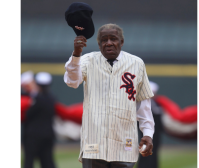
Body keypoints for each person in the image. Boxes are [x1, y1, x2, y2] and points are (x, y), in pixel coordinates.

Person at [64, 23, 155, 168]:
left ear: (121, 42)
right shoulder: (88, 60)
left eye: (113, 39)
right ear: (99, 44)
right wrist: (76, 54)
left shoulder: (136, 63)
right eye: (104, 40)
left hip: (125, 142)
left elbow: (143, 104)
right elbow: (72, 81)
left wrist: (148, 133)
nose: (109, 43)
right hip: (94, 143)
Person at [20, 71, 57, 168]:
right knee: (47, 162)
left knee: (29, 162)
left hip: (32, 137)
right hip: (48, 135)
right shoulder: (52, 99)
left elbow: (27, 115)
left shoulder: (33, 99)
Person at [137, 81, 163, 168]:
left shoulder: (155, 105)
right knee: (146, 152)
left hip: (151, 136)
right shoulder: (150, 105)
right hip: (147, 135)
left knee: (151, 152)